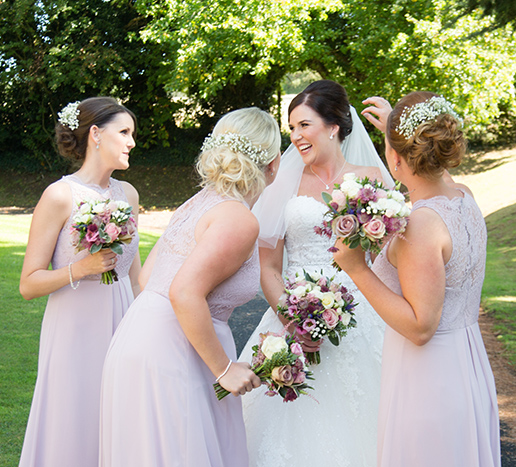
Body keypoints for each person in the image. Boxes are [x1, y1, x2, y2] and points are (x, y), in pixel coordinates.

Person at [99, 107, 281, 467]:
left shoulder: (197, 203)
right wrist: (225, 368)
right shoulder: (239, 219)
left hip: (141, 338)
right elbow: (182, 292)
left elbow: (147, 278)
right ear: (274, 163)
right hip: (177, 352)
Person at [334, 92, 501, 466]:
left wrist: (357, 268)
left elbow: (421, 326)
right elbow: (433, 171)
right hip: (465, 362)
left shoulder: (421, 224)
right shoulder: (463, 196)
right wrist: (400, 125)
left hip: (429, 379)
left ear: (395, 158)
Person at [239, 80, 393, 466]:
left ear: (333, 126)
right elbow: (268, 266)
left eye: (303, 125)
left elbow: (390, 258)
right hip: (292, 314)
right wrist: (292, 320)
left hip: (364, 312)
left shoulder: (371, 177)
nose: (295, 137)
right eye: (291, 128)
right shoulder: (282, 185)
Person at [17, 97, 142, 466]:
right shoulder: (59, 196)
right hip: (73, 327)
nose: (132, 142)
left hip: (122, 318)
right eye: (124, 132)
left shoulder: (129, 195)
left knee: (120, 417)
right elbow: (28, 283)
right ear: (95, 135)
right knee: (73, 419)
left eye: (132, 133)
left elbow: (135, 276)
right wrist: (82, 268)